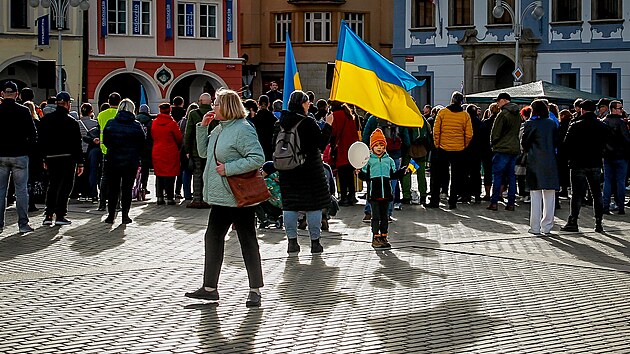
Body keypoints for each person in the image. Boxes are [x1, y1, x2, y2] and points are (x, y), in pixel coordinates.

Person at [185, 88, 265, 307]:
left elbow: (257, 158)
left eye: (216, 104)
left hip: (239, 196)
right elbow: (203, 153)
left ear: (228, 106)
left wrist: (229, 168)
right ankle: (210, 288)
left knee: (247, 241)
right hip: (221, 197)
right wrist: (202, 127)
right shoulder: (219, 129)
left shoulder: (243, 129)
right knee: (212, 238)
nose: (213, 107)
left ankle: (255, 289)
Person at [275, 90, 333, 254]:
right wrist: (328, 125)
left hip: (287, 171)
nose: (309, 105)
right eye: (307, 102)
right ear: (302, 104)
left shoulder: (281, 122)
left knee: (290, 206)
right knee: (313, 206)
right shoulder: (307, 122)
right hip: (309, 171)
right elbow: (321, 143)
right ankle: (315, 243)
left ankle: (292, 242)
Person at [561, 100, 608, 233]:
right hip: (595, 163)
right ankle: (599, 222)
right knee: (596, 193)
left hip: (578, 163)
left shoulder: (575, 125)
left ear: (582, 110)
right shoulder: (602, 126)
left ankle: (573, 221)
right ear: (594, 110)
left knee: (577, 194)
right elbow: (606, 143)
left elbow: (566, 144)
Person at [38, 91, 84, 226]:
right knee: (65, 187)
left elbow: (41, 141)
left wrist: (44, 158)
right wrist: (80, 162)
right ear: (68, 104)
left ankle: (48, 214)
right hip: (68, 159)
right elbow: (77, 144)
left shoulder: (46, 120)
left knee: (52, 186)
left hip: (51, 158)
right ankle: (60, 214)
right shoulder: (72, 122)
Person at [358, 128, 407, 249]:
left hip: (386, 194)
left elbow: (393, 175)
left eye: (382, 145)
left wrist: (402, 171)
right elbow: (365, 176)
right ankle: (375, 237)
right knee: (376, 217)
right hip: (374, 194)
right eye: (377, 145)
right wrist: (359, 173)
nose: (379, 148)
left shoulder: (389, 160)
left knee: (385, 217)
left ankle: (384, 236)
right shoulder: (368, 161)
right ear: (371, 147)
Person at [0, 81, 37, 234]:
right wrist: (28, 149)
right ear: (16, 94)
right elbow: (33, 133)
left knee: (1, 190)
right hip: (20, 155)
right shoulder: (23, 111)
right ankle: (23, 223)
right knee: (21, 190)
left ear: (2, 94)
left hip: (1, 155)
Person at [102, 99, 146, 224]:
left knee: (113, 189)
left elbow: (106, 141)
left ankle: (111, 215)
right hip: (130, 161)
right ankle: (125, 216)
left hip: (113, 160)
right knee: (127, 189)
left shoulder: (111, 123)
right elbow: (142, 143)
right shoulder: (137, 125)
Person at [427, 91, 472, 209]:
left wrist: (437, 145)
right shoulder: (465, 115)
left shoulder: (442, 113)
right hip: (458, 150)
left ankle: (435, 201)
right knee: (456, 177)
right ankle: (452, 202)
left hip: (442, 149)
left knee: (437, 176)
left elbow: (436, 131)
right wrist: (463, 145)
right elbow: (469, 134)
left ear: (451, 100)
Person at [521, 99, 559, 235]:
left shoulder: (530, 124)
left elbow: (524, 142)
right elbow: (557, 140)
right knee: (550, 195)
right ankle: (547, 226)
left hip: (535, 161)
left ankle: (535, 227)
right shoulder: (551, 123)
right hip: (550, 161)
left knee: (535, 195)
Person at [487, 92, 521, 211]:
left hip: (502, 149)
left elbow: (495, 133)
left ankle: (494, 202)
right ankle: (511, 203)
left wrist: (493, 144)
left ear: (503, 100)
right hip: (514, 148)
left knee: (497, 176)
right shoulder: (517, 114)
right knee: (512, 177)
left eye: (498, 101)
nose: (497, 103)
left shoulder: (503, 114)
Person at [185, 93, 214, 209]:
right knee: (208, 174)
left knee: (197, 174)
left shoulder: (193, 113)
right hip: (211, 149)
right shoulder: (214, 113)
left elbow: (189, 133)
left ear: (200, 101)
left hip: (196, 149)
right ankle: (207, 199)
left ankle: (197, 199)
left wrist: (187, 149)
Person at [601, 100, 630, 215]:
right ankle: (620, 206)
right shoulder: (621, 123)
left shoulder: (604, 122)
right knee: (620, 181)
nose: (621, 110)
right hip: (620, 156)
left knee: (608, 181)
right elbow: (626, 139)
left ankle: (606, 206)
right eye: (619, 108)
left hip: (608, 155)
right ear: (613, 109)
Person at [152, 103, 183, 205]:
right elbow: (179, 138)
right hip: (170, 151)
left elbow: (152, 135)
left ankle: (159, 197)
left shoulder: (155, 123)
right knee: (170, 175)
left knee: (159, 175)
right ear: (170, 110)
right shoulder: (172, 123)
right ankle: (170, 197)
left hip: (157, 150)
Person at [330, 101, 360, 206]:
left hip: (342, 147)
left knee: (342, 174)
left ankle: (343, 197)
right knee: (350, 174)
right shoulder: (348, 114)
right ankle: (352, 196)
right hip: (351, 148)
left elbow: (333, 131)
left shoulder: (336, 115)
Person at [97, 92, 121, 211]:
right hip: (118, 149)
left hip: (104, 149)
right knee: (118, 178)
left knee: (105, 177)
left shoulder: (101, 114)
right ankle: (117, 203)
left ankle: (102, 203)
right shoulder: (120, 114)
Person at [76, 103, 99, 202]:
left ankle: (82, 192)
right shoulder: (95, 123)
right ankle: (91, 192)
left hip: (80, 149)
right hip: (90, 149)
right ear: (91, 112)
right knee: (91, 171)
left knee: (82, 173)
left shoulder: (77, 123)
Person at [255, 161, 283, 229]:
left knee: (256, 202)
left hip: (273, 206)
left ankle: (263, 220)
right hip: (281, 206)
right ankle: (274, 218)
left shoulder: (267, 181)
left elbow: (262, 193)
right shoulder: (277, 178)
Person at [250, 95, 277, 161]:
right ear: (269, 104)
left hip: (257, 145)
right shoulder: (273, 118)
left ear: (258, 104)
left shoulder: (254, 119)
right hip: (269, 145)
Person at [136, 104, 154, 200]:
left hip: (136, 149)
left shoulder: (134, 120)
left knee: (135, 169)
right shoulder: (151, 122)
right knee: (145, 170)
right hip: (147, 149)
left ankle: (134, 187)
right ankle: (143, 187)